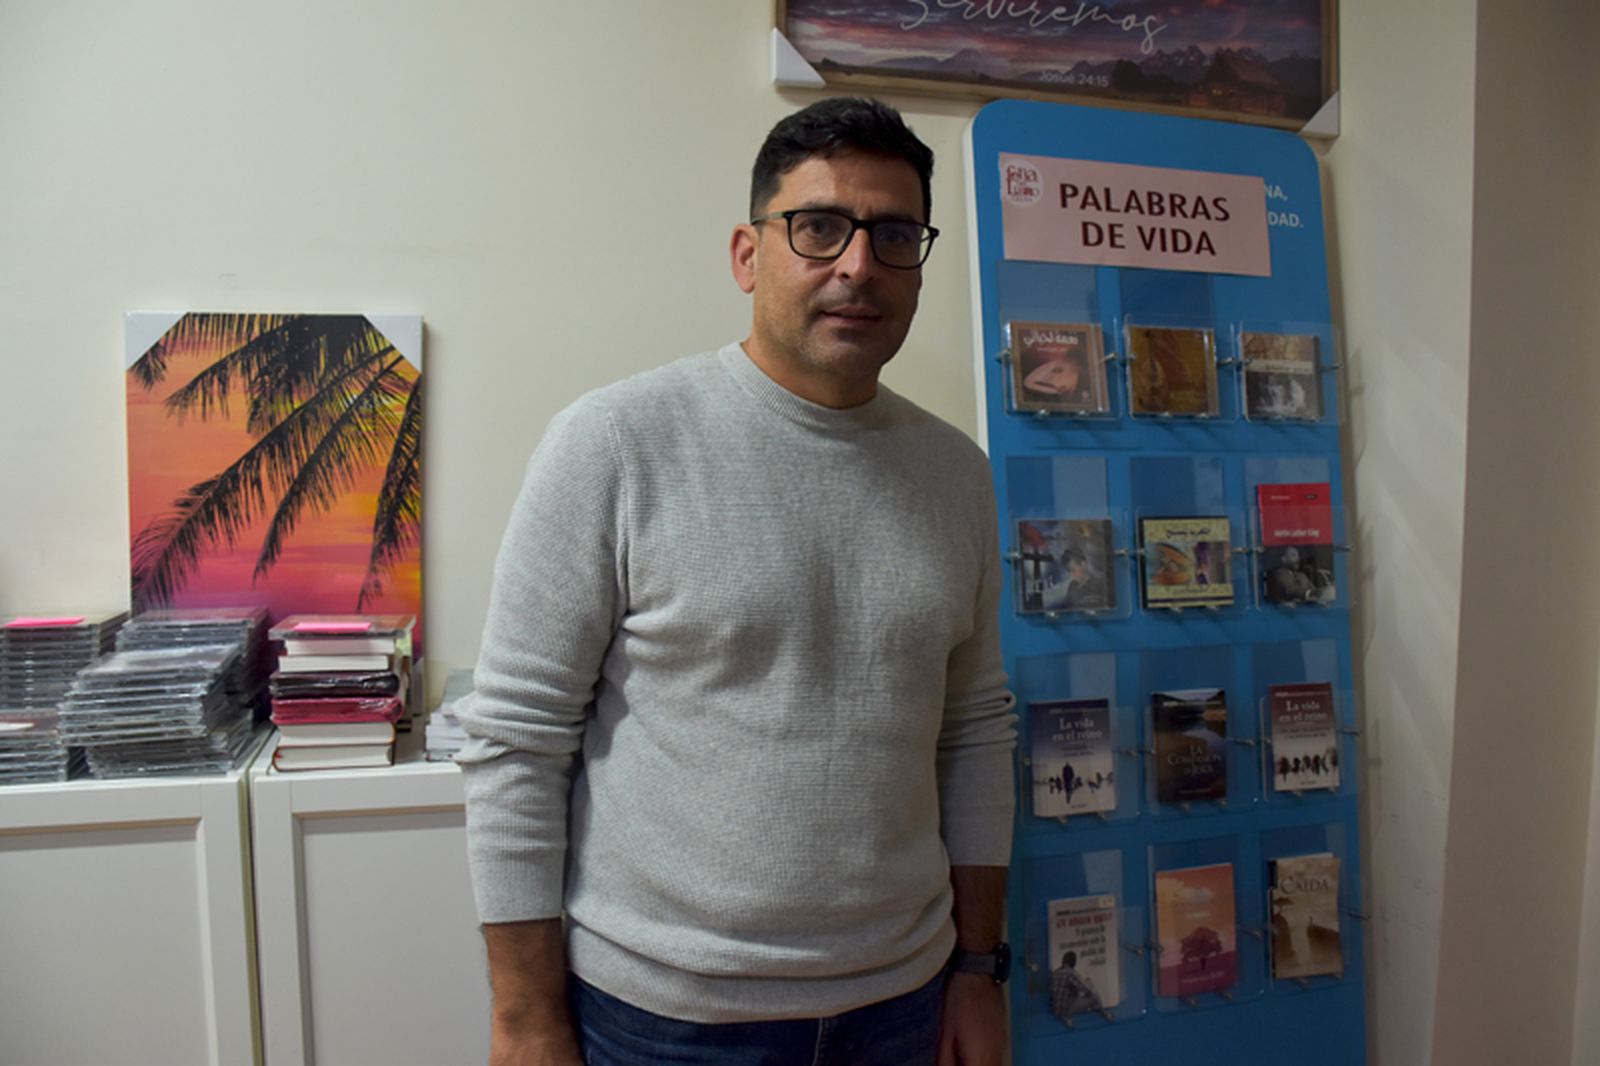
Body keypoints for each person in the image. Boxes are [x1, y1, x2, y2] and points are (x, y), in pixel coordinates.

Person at [457, 97, 1017, 1066]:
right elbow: (515, 739)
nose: (856, 264)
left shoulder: (957, 473)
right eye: (818, 227)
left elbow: (971, 731)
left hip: (903, 1003)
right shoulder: (615, 441)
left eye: (892, 234)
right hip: (662, 1017)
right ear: (747, 254)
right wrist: (523, 1016)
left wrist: (978, 969)